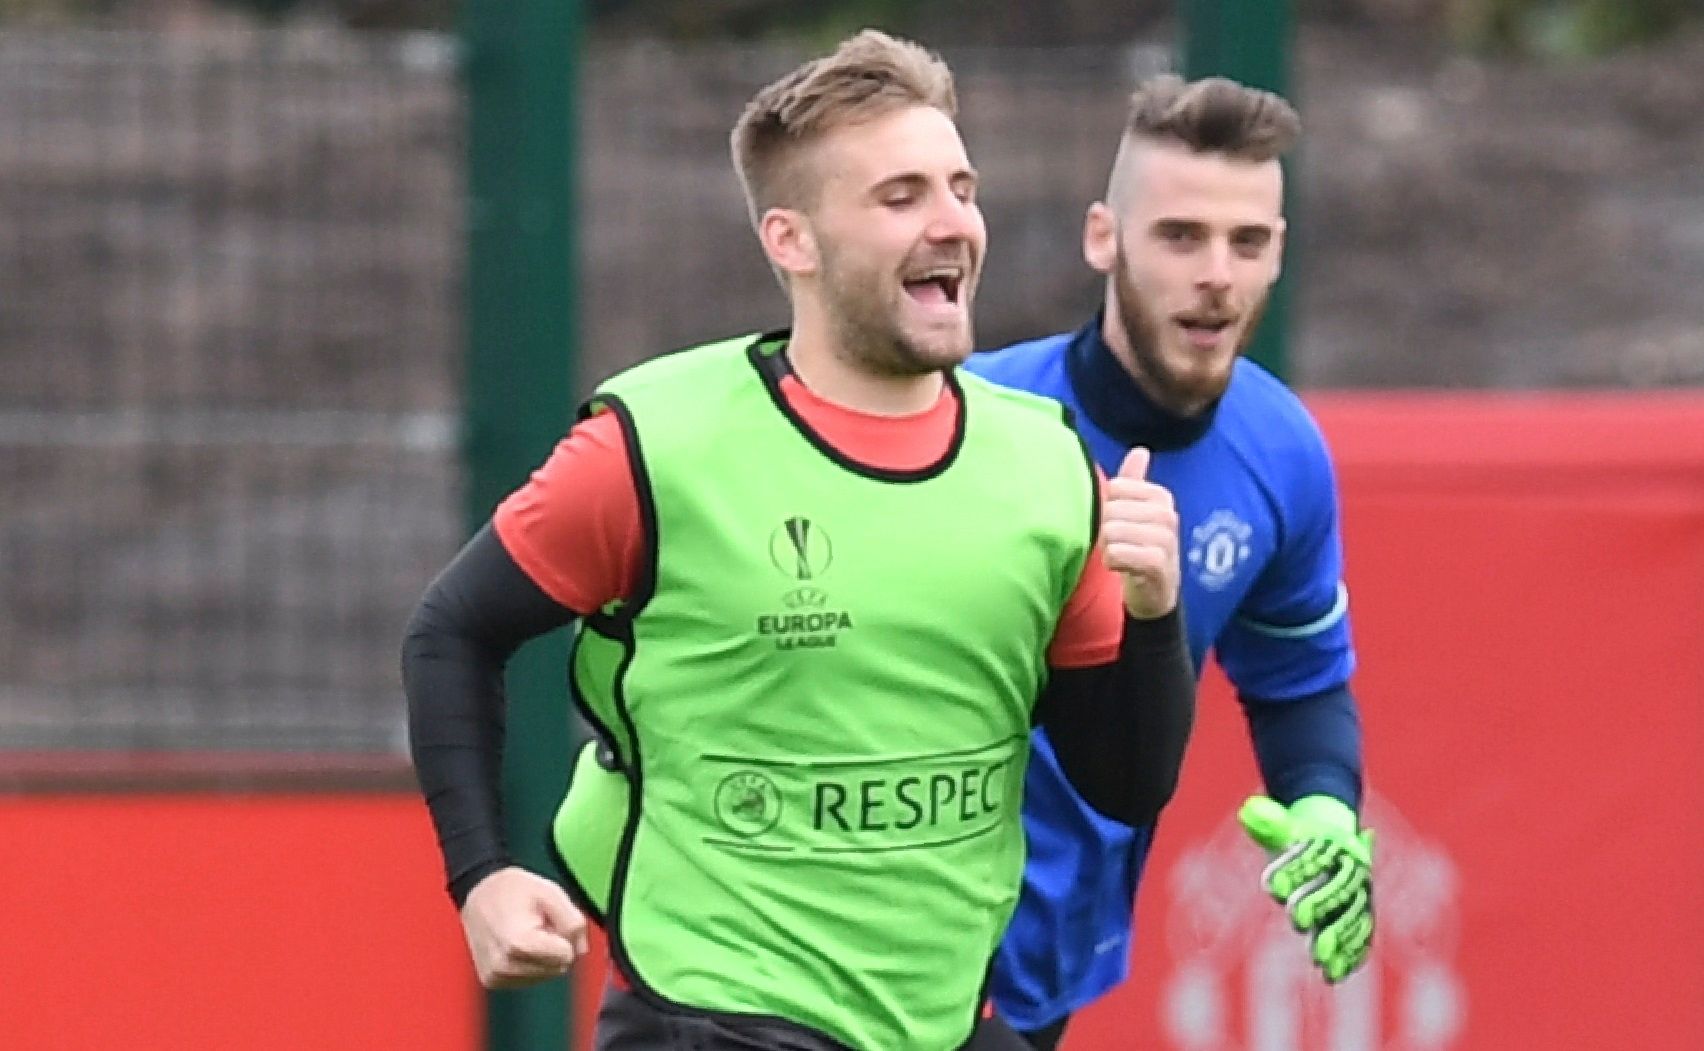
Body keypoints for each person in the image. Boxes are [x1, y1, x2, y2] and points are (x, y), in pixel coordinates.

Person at [401, 31, 1197, 1051]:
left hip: (939, 1021)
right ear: (792, 240)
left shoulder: (1044, 465)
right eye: (901, 196)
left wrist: (1153, 614)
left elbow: (1125, 782)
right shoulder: (657, 447)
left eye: (961, 186)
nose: (952, 222)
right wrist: (483, 875)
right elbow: (452, 630)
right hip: (716, 1012)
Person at [965, 76, 1375, 1050]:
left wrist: (1323, 807)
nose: (1218, 276)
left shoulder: (1282, 455)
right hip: (895, 951)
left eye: (1248, 242)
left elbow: (1299, 684)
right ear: (1103, 238)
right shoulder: (971, 425)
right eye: (1181, 236)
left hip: (1050, 961)